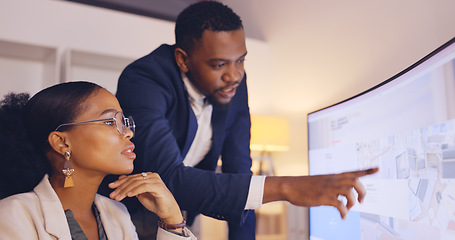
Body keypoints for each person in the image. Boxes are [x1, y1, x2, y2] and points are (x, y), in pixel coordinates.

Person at [104, 1, 379, 239]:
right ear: (183, 59)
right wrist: (286, 186)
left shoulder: (233, 81)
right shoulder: (143, 79)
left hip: (184, 214)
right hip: (129, 211)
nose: (234, 75)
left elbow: (239, 170)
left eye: (241, 60)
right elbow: (168, 178)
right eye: (219, 64)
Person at [0, 81, 196, 239]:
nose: (128, 133)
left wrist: (172, 221)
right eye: (110, 122)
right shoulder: (12, 215)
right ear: (61, 142)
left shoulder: (117, 214)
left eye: (123, 122)